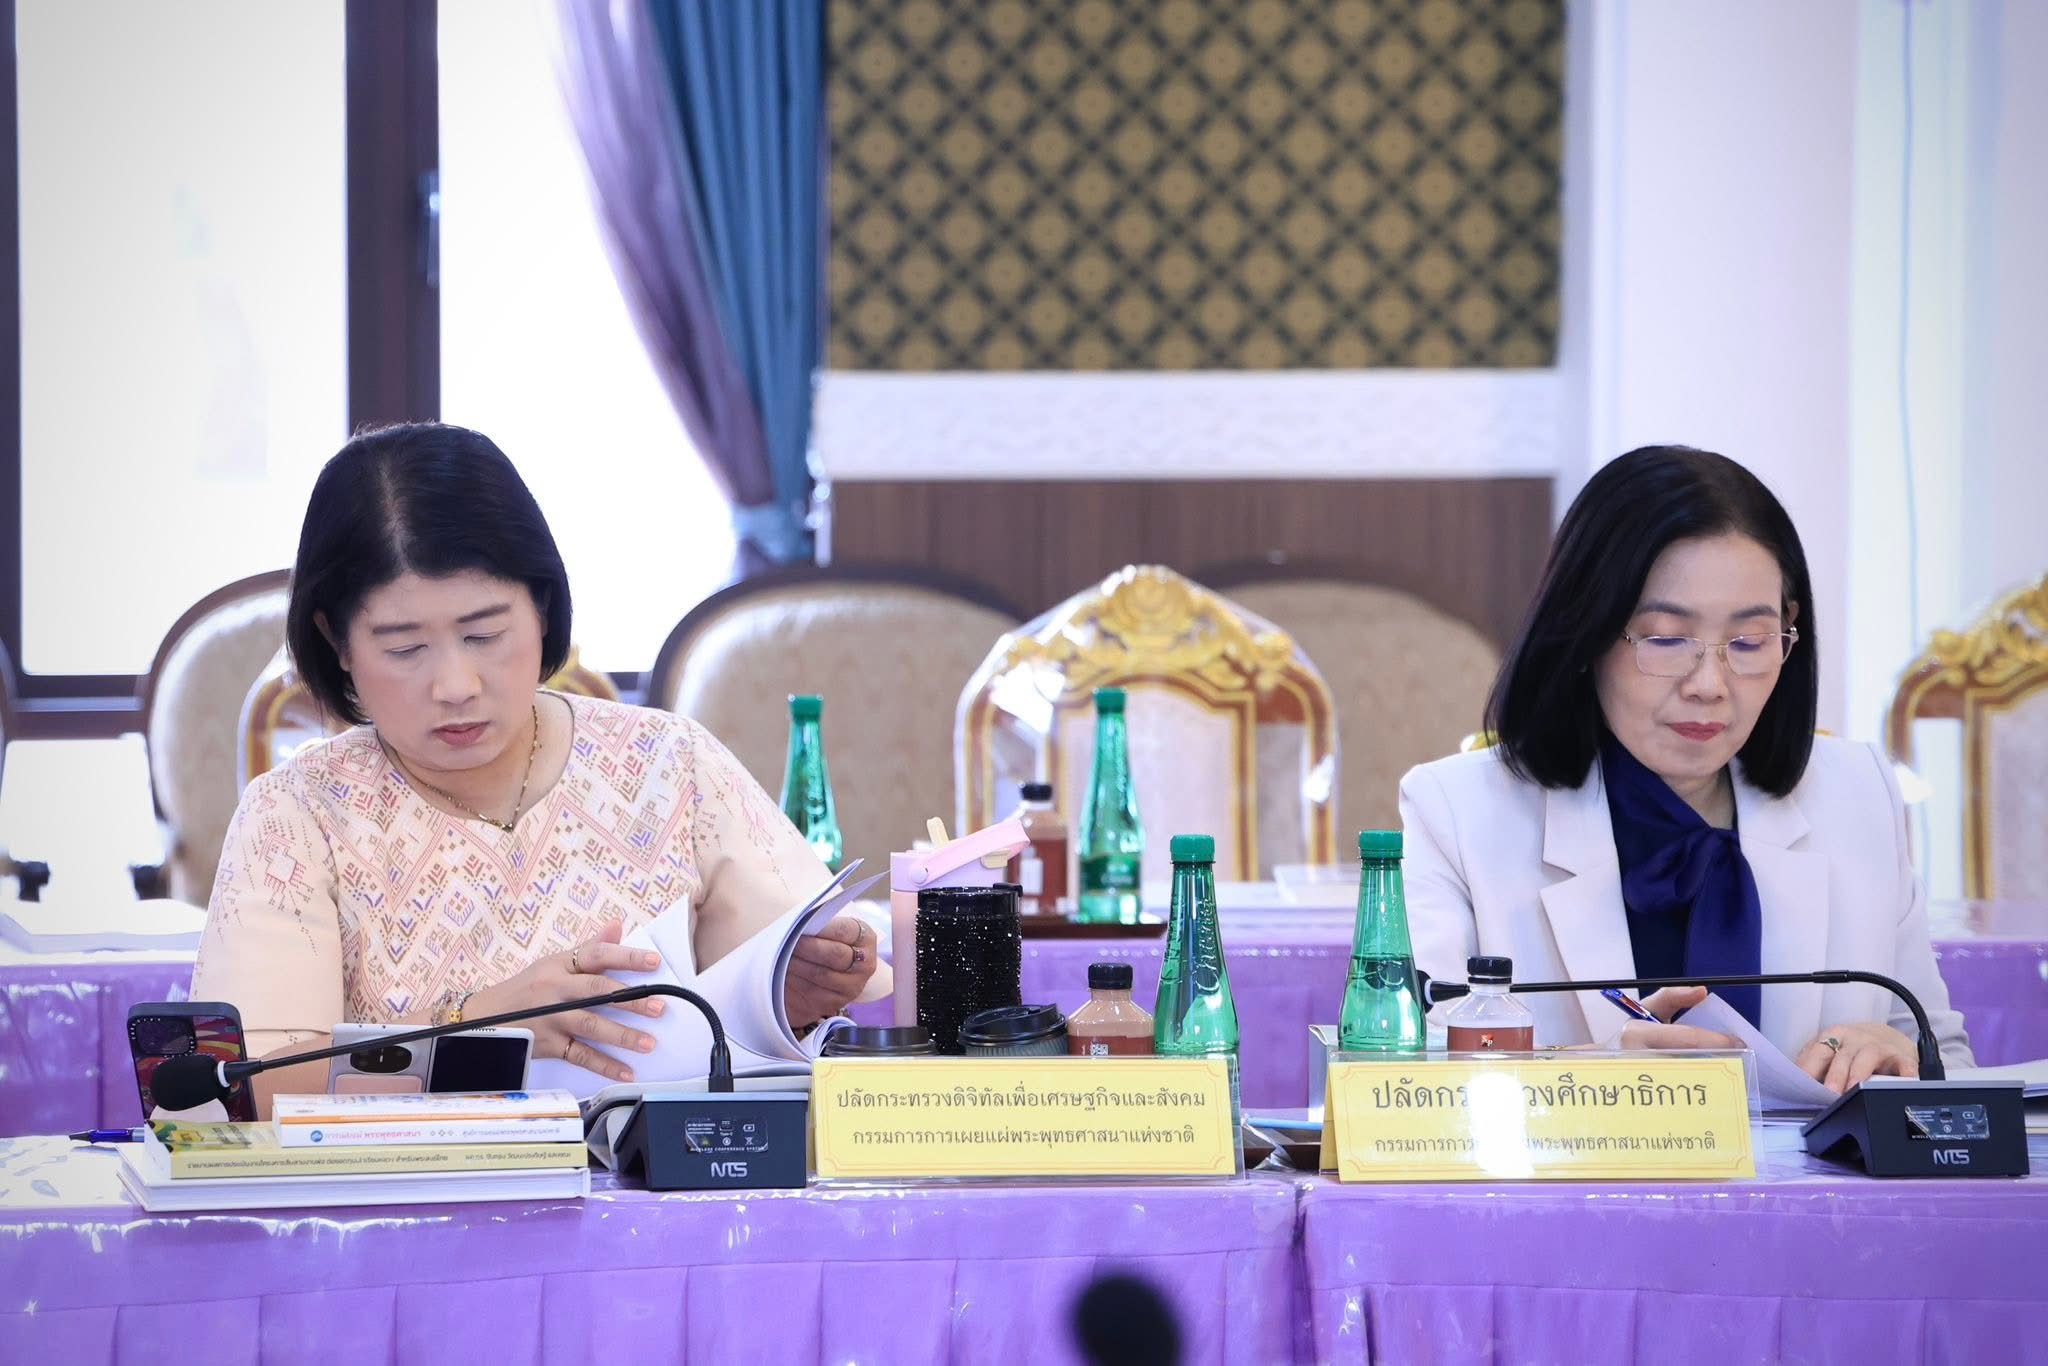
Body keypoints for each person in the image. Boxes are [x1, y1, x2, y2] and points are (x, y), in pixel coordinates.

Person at [191, 424, 885, 1110]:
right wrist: (475, 1031)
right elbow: (232, 1092)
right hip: (406, 1186)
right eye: (404, 648)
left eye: (484, 634)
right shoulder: (296, 815)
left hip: (657, 1180)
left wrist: (795, 999)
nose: (455, 685)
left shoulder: (669, 764)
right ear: (336, 641)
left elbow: (766, 1010)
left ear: (543, 607)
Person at [1400, 446, 1970, 1092]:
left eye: (1749, 643)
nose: (1710, 684)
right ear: (1586, 633)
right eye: (1666, 638)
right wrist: (1594, 1075)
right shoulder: (1456, 813)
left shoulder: (1858, 794)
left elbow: (1949, 1060)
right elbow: (1405, 1084)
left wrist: (1903, 1055)